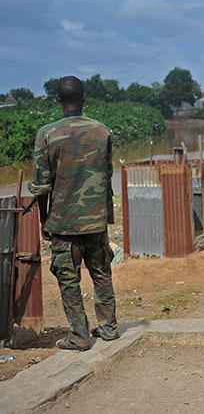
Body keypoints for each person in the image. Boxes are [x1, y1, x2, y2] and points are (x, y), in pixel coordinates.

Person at [28, 76, 119, 350]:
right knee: (102, 274)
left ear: (58, 100)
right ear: (84, 98)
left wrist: (45, 220)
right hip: (96, 221)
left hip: (64, 224)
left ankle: (80, 336)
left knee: (69, 280)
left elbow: (41, 185)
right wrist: (104, 218)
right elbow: (108, 175)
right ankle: (109, 328)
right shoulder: (102, 131)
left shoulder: (47, 134)